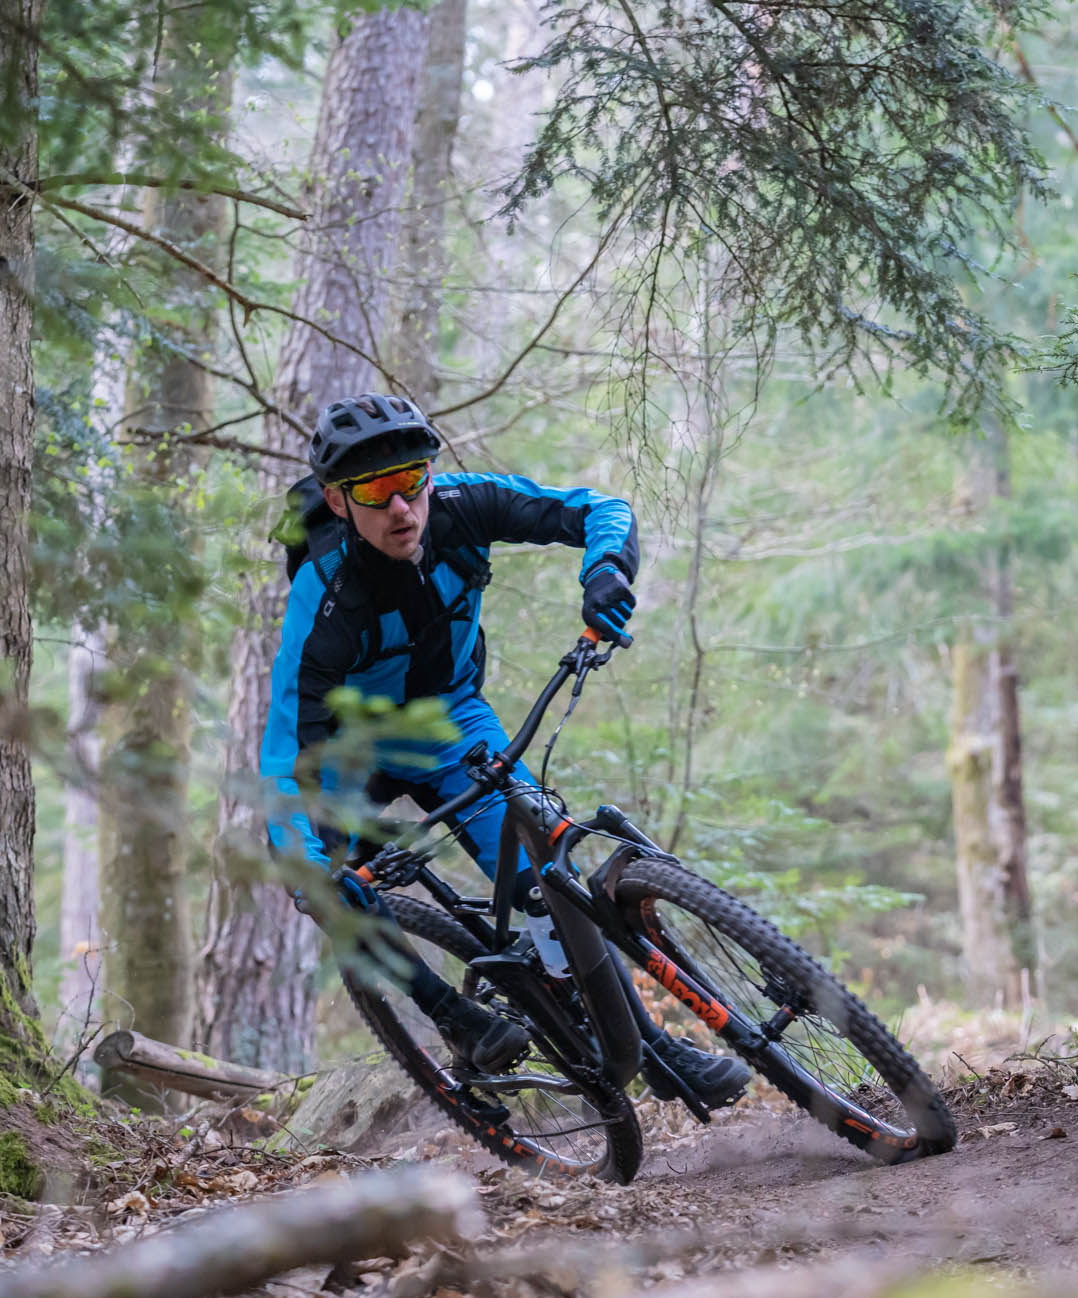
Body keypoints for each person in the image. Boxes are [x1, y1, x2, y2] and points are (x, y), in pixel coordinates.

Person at [261, 392, 750, 1109]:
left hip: (449, 720)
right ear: (338, 503)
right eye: (374, 491)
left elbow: (600, 511)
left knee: (547, 877)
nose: (401, 506)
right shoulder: (321, 598)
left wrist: (606, 570)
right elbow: (285, 759)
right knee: (321, 882)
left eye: (412, 479)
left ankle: (652, 1048)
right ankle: (453, 1017)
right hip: (348, 749)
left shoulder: (465, 505)